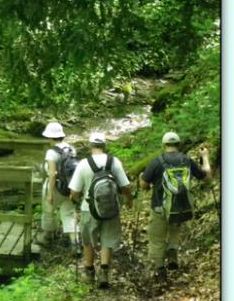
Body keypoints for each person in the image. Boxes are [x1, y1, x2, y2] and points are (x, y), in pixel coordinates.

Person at [139, 131, 212, 283]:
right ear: (179, 144)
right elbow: (207, 178)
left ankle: (161, 270)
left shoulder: (156, 161)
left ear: (163, 145)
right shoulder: (187, 160)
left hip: (159, 207)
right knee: (174, 228)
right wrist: (205, 158)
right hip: (180, 206)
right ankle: (172, 252)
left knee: (157, 239)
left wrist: (142, 179)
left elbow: (144, 185)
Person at [68, 132, 133, 288]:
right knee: (107, 239)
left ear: (90, 146)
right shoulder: (114, 162)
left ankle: (89, 271)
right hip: (111, 208)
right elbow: (125, 186)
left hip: (88, 208)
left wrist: (73, 200)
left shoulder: (84, 164)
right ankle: (104, 273)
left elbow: (75, 191)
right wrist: (129, 200)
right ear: (104, 145)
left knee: (88, 240)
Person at [36, 121, 78, 249]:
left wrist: (50, 194)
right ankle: (75, 243)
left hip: (56, 188)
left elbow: (52, 175)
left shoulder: (51, 153)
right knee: (69, 213)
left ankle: (47, 237)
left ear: (50, 137)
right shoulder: (71, 149)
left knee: (48, 211)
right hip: (70, 187)